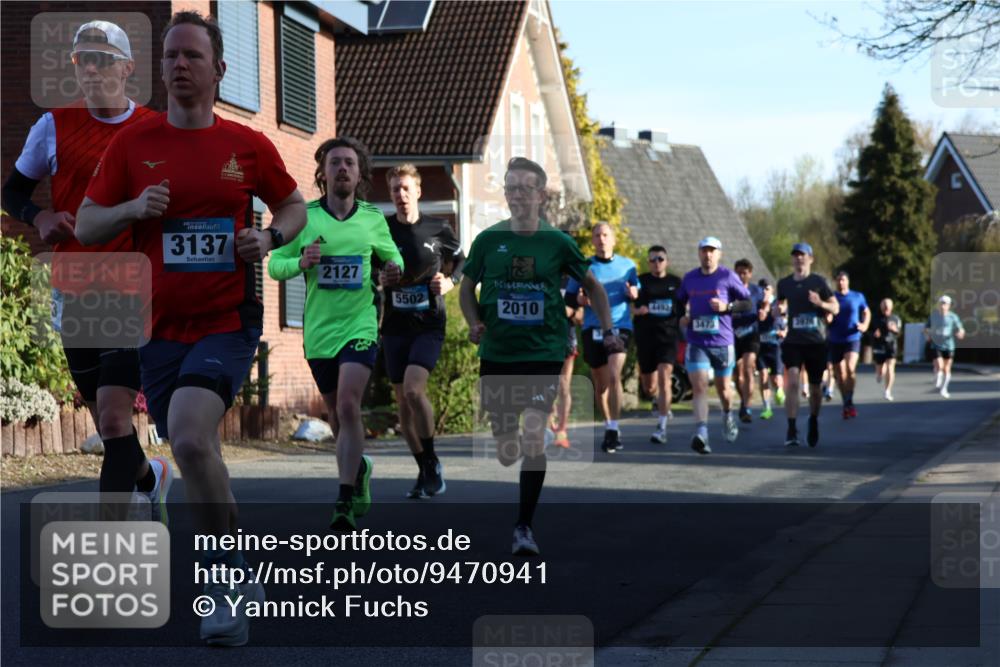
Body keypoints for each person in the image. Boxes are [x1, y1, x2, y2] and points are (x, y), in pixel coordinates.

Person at [75, 11, 307, 646]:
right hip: (159, 326)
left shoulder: (247, 145)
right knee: (194, 450)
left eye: (192, 57)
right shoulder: (132, 146)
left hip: (226, 320)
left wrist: (270, 235)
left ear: (219, 70)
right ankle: (240, 559)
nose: (179, 65)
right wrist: (129, 208)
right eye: (171, 56)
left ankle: (223, 590)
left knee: (191, 439)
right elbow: (88, 223)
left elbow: (293, 205)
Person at [1, 20, 169, 513]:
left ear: (127, 67)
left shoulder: (153, 130)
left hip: (133, 287)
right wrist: (40, 215)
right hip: (75, 288)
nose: (92, 68)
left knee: (116, 420)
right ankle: (150, 475)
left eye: (102, 57)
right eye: (83, 60)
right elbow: (12, 191)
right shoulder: (53, 125)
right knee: (106, 425)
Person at [459, 157, 620, 555]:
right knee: (505, 447)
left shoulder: (557, 243)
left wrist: (609, 328)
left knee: (533, 433)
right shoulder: (487, 240)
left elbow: (594, 288)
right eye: (510, 187)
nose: (516, 195)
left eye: (524, 188)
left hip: (544, 351)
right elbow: (466, 288)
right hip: (497, 352)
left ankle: (523, 527)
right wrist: (473, 321)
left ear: (541, 195)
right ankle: (504, 437)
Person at [270, 138, 403, 528]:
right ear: (323, 173)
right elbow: (275, 265)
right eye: (335, 163)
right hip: (320, 331)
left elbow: (391, 254)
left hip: (360, 324)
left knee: (348, 405)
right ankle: (358, 469)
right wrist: (300, 260)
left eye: (349, 163)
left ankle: (343, 500)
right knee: (339, 418)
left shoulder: (372, 218)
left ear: (359, 174)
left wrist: (393, 268)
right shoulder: (304, 217)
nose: (342, 168)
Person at [378, 164, 461, 499]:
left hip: (428, 324)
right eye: (395, 189)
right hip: (395, 326)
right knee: (402, 406)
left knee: (413, 391)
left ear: (418, 192)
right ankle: (425, 466)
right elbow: (371, 268)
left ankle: (430, 462)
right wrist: (380, 279)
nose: (401, 195)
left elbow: (462, 260)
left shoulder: (438, 229)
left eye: (406, 188)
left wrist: (450, 281)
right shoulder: (380, 231)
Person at [565, 222, 639, 453]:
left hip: (620, 326)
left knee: (615, 376)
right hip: (591, 328)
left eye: (605, 234)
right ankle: (608, 422)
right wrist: (579, 301)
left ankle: (613, 428)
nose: (601, 239)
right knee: (601, 383)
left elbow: (637, 292)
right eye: (596, 235)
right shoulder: (584, 265)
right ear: (593, 240)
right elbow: (568, 298)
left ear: (613, 239)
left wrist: (633, 294)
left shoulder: (628, 265)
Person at [675, 237, 751, 454]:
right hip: (697, 341)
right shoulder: (690, 278)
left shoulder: (728, 276)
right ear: (699, 253)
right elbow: (677, 302)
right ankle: (702, 433)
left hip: (722, 342)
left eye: (712, 251)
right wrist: (682, 316)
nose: (708, 255)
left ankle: (728, 415)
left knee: (724, 390)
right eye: (704, 251)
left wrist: (727, 306)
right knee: (698, 387)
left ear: (719, 254)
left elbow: (747, 303)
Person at [775, 243, 839, 448]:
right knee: (792, 381)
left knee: (815, 388)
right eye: (795, 256)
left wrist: (820, 303)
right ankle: (791, 428)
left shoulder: (819, 282)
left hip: (816, 342)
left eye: (802, 256)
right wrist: (778, 311)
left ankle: (813, 419)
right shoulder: (784, 284)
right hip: (794, 341)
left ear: (810, 258)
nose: (798, 259)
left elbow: (835, 307)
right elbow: (780, 306)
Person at [632, 245, 682, 443]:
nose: (656, 263)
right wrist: (637, 311)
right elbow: (630, 306)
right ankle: (657, 400)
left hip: (668, 337)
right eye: (652, 259)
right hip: (646, 337)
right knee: (649, 387)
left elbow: (685, 307)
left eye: (660, 259)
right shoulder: (641, 281)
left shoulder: (676, 283)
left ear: (666, 261)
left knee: (664, 376)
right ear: (648, 262)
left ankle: (661, 427)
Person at [828, 270, 870, 419]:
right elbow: (826, 315)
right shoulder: (832, 297)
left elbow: (866, 312)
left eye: (843, 280)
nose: (841, 283)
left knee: (850, 368)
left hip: (853, 337)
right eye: (838, 280)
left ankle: (849, 400)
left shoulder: (857, 296)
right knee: (840, 374)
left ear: (848, 281)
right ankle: (846, 402)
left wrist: (865, 325)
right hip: (835, 338)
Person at [732, 258, 765, 423]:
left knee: (747, 367)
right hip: (733, 335)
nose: (741, 275)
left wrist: (764, 312)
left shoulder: (756, 291)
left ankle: (747, 407)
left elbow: (766, 303)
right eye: (738, 272)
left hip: (751, 335)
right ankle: (743, 401)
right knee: (737, 376)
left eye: (744, 272)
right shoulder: (729, 291)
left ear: (750, 274)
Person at [550, 296, 582, 449]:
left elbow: (582, 317)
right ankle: (549, 425)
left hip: (566, 338)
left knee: (563, 386)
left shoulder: (573, 284)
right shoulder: (541, 277)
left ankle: (562, 430)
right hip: (542, 337)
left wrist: (571, 312)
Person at [756, 280, 786, 419]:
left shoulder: (778, 303)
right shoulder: (757, 305)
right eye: (762, 289)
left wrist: (785, 331)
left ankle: (779, 390)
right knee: (763, 375)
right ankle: (766, 407)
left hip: (776, 346)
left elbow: (783, 317)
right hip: (761, 346)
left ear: (772, 290)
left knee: (775, 379)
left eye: (767, 288)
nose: (764, 291)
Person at [925, 295, 965, 398]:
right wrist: (927, 335)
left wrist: (961, 333)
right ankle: (938, 375)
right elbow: (926, 328)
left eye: (945, 304)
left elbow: (960, 328)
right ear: (938, 304)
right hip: (936, 344)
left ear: (949, 305)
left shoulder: (953, 317)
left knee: (947, 368)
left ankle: (944, 388)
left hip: (949, 345)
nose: (943, 306)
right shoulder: (933, 316)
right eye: (941, 303)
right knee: (940, 365)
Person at [872, 298, 901, 401]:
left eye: (888, 306)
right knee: (880, 370)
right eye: (884, 305)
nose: (886, 308)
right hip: (879, 345)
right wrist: (874, 334)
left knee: (890, 367)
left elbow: (898, 331)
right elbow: (870, 330)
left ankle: (887, 391)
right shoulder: (875, 318)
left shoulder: (895, 318)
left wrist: (894, 329)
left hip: (891, 345)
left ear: (891, 307)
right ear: (881, 307)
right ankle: (879, 374)